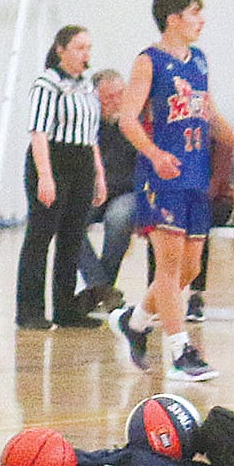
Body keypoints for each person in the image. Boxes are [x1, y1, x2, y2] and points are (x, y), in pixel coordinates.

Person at [109, 0, 234, 386]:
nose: (202, 19)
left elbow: (208, 112)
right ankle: (180, 352)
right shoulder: (148, 62)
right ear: (173, 18)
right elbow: (127, 118)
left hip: (196, 175)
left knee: (190, 268)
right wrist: (156, 153)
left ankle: (136, 321)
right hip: (162, 177)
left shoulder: (199, 61)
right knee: (169, 265)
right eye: (195, 12)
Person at [15, 25, 104, 330]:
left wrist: (98, 176)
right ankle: (29, 311)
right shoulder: (47, 83)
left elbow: (92, 136)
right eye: (79, 48)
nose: (86, 54)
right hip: (53, 158)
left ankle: (66, 309)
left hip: (81, 162)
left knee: (73, 238)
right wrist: (45, 176)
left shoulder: (88, 86)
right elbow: (38, 132)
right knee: (40, 237)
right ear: (61, 50)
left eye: (89, 48)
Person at [81, 67, 138, 303]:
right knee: (67, 221)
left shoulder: (133, 123)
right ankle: (100, 286)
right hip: (95, 191)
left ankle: (101, 288)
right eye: (109, 97)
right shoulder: (86, 125)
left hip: (127, 192)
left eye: (120, 95)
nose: (116, 102)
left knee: (119, 220)